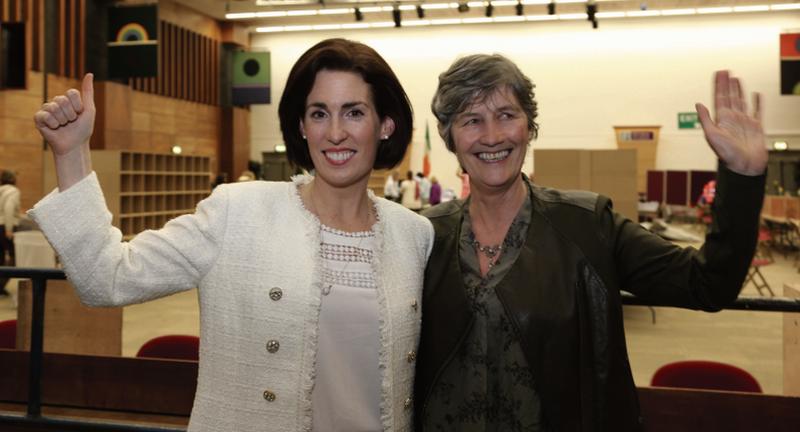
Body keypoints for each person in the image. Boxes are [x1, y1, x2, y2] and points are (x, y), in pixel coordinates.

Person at [31, 38, 433, 432]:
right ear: (301, 126)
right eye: (318, 113)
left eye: (354, 113)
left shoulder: (414, 235)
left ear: (386, 125)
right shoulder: (237, 214)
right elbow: (106, 277)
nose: (335, 132)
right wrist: (71, 154)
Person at [415, 54, 766, 431]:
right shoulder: (422, 236)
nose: (492, 136)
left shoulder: (587, 226)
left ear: (529, 127)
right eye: (472, 120)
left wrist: (742, 177)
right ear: (450, 137)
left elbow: (707, 283)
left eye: (506, 115)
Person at [0, 170, 20, 296]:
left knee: (0, 257)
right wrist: (9, 229)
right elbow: (8, 208)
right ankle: (0, 285)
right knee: (13, 258)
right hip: (4, 227)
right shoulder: (13, 191)